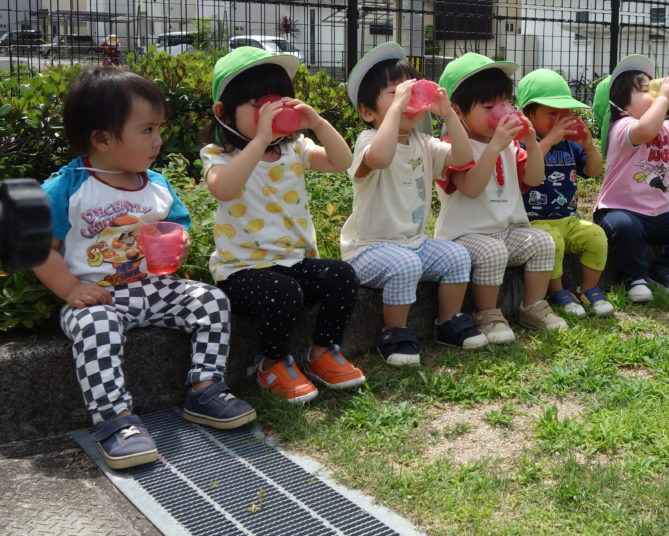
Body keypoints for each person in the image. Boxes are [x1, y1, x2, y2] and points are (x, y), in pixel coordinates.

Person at [35, 66, 255, 470]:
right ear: (102, 138)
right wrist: (69, 290)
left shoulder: (154, 184)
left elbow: (179, 223)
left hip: (153, 287)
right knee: (95, 327)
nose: (158, 140)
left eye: (159, 129)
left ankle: (205, 388)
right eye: (147, 130)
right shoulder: (68, 188)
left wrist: (180, 240)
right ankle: (115, 421)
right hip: (98, 297)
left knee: (211, 301)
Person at [201, 47, 363, 404]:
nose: (271, 113)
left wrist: (317, 123)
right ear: (223, 112)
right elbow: (223, 189)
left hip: (293, 262)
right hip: (242, 272)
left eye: (279, 102)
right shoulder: (220, 155)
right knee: (283, 291)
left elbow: (341, 161)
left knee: (342, 276)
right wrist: (259, 140)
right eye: (259, 105)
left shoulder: (295, 148)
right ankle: (272, 363)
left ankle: (321, 353)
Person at [341, 42, 485, 366]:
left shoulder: (423, 142)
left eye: (410, 92)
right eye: (394, 93)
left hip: (414, 243)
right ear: (367, 111)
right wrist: (396, 111)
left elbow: (463, 157)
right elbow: (380, 157)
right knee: (405, 265)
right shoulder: (367, 141)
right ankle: (395, 333)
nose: (405, 100)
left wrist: (447, 111)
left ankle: (447, 323)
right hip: (368, 249)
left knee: (456, 256)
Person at [434, 52, 564, 344]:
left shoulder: (509, 144)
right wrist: (494, 147)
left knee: (544, 242)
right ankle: (487, 314)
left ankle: (532, 307)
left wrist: (531, 142)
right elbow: (470, 188)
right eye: (488, 106)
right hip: (464, 236)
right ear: (456, 111)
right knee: (493, 251)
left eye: (504, 103)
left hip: (506, 231)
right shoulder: (453, 147)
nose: (500, 111)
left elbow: (534, 179)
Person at [591, 54, 669, 300]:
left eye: (654, 87)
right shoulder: (622, 127)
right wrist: (664, 96)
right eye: (646, 90)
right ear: (622, 104)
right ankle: (634, 277)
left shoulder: (665, 128)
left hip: (660, 214)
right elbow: (645, 130)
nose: (655, 93)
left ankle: (665, 270)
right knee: (626, 228)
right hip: (619, 210)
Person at [517, 68, 613, 318]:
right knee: (553, 243)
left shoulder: (570, 145)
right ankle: (557, 291)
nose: (562, 119)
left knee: (596, 235)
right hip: (533, 221)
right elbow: (525, 168)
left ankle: (588, 288)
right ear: (528, 114)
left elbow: (592, 173)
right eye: (552, 113)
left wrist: (589, 146)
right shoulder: (521, 143)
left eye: (567, 113)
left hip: (568, 218)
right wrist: (549, 139)